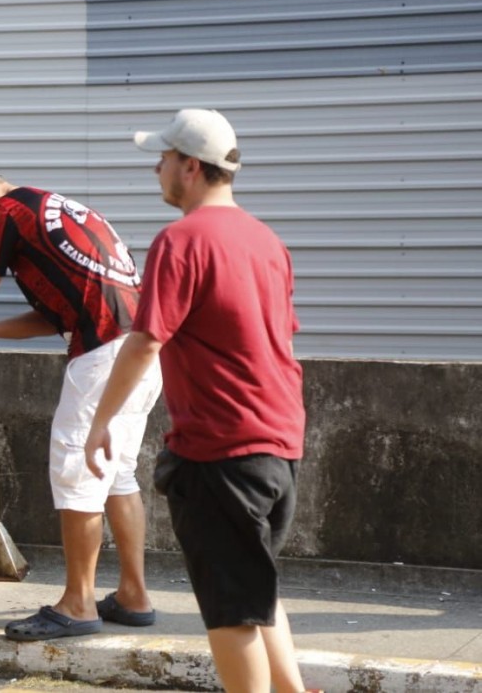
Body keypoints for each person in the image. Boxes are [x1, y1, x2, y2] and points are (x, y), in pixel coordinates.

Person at [82, 109, 308, 692]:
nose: (156, 168)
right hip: (278, 448)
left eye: (162, 158)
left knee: (231, 612)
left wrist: (100, 420)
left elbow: (146, 339)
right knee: (256, 591)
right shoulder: (267, 241)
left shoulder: (181, 240)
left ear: (190, 167)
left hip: (221, 451)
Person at [0, 167, 163, 642]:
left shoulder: (5, 211)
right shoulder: (57, 211)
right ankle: (134, 595)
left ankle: (77, 603)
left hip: (101, 357)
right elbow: (54, 315)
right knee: (118, 474)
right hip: (140, 353)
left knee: (76, 473)